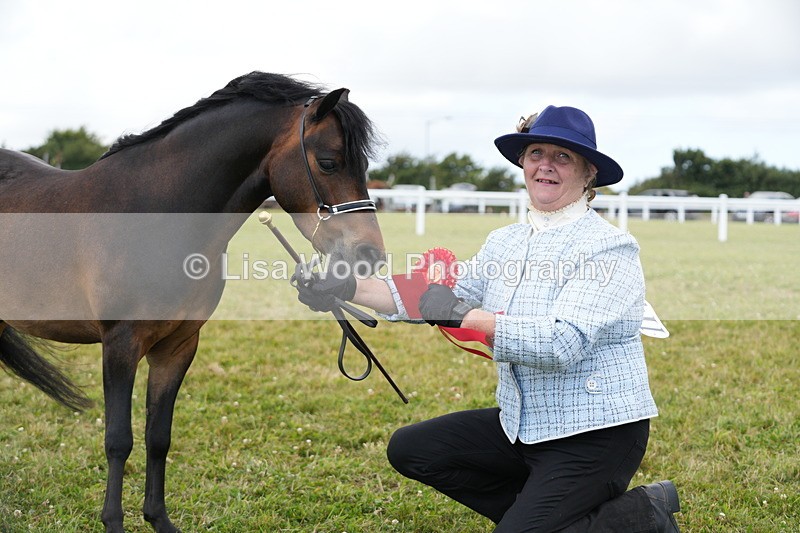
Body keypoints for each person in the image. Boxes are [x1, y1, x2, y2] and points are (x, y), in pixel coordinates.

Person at [293, 105, 681, 532]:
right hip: (521, 426)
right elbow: (434, 295)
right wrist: (345, 287)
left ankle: (642, 512)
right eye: (536, 154)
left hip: (595, 436)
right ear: (523, 163)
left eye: (562, 157)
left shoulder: (609, 249)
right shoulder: (505, 242)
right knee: (412, 449)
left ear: (589, 173)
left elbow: (559, 344)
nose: (545, 166)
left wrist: (464, 315)